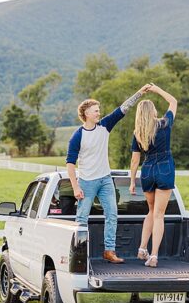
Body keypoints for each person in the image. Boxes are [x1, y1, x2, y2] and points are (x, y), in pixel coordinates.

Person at [66, 84, 151, 264]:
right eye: (95, 111)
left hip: (105, 179)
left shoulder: (104, 126)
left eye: (99, 110)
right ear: (86, 114)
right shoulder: (77, 136)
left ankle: (109, 251)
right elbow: (70, 164)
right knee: (81, 218)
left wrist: (139, 93)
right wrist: (75, 187)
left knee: (112, 214)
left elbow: (122, 109)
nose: (99, 113)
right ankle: (78, 253)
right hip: (86, 182)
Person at [128, 84, 178, 269]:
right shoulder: (164, 124)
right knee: (159, 215)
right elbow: (173, 101)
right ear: (153, 111)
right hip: (164, 168)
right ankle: (154, 255)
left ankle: (142, 248)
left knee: (150, 211)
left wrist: (132, 182)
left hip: (147, 170)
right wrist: (157, 89)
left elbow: (134, 161)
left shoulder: (138, 134)